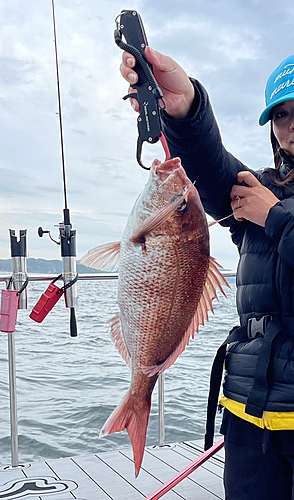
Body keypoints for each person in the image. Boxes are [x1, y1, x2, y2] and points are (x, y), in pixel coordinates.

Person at [120, 48, 294, 499]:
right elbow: (210, 166)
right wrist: (183, 107)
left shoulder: (266, 205)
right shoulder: (262, 189)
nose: (292, 126)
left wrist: (274, 218)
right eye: (282, 115)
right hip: (248, 411)